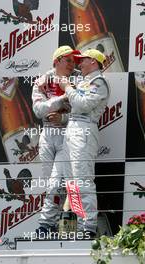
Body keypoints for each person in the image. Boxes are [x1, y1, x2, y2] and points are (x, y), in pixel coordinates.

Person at [59, 49, 110, 237]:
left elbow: (82, 105)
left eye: (83, 60)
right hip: (72, 129)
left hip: (84, 131)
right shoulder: (83, 81)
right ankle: (77, 226)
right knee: (71, 182)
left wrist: (68, 88)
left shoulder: (99, 82)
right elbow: (75, 109)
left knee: (83, 180)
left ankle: (88, 227)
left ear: (94, 62)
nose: (79, 64)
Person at [32, 45, 80, 235]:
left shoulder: (79, 79)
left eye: (74, 61)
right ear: (57, 61)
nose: (72, 64)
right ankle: (56, 224)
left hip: (68, 134)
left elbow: (84, 111)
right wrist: (60, 100)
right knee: (50, 184)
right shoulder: (42, 81)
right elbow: (38, 111)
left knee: (57, 183)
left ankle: (44, 225)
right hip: (47, 135)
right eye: (68, 60)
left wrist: (63, 117)